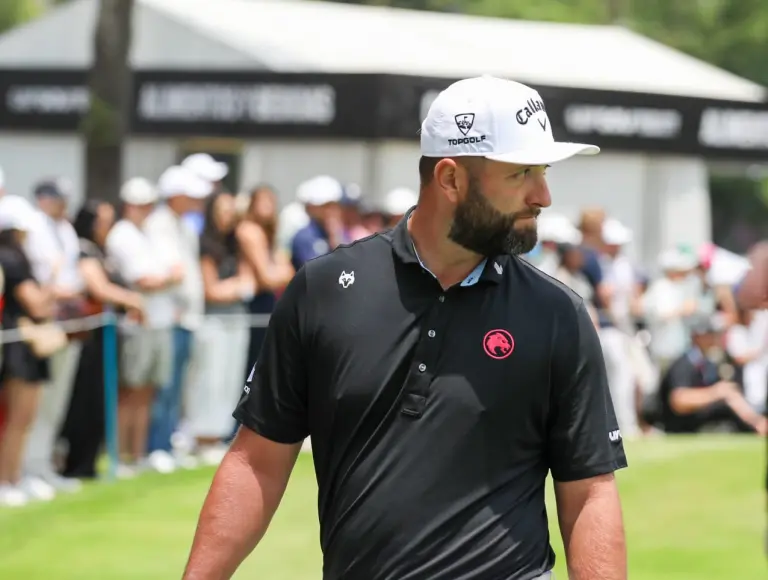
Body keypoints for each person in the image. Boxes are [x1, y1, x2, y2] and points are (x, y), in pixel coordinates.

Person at [184, 76, 627, 580]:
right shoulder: (324, 290)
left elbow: (590, 490)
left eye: (542, 171)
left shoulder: (558, 314)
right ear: (451, 178)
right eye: (522, 172)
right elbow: (256, 462)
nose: (543, 195)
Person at [59, 200, 144, 479]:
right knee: (85, 402)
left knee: (100, 401)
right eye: (103, 221)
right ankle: (78, 465)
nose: (108, 226)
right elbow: (97, 287)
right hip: (88, 336)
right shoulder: (84, 248)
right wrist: (133, 299)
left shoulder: (101, 250)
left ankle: (91, 462)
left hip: (106, 334)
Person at [105, 178, 180, 477]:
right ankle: (121, 456)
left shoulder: (151, 232)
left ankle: (137, 454)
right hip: (136, 323)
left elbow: (175, 273)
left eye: (149, 204)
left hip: (160, 319)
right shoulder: (122, 235)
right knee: (131, 390)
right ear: (129, 206)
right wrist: (165, 279)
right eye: (141, 205)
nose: (146, 210)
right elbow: (143, 280)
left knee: (147, 391)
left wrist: (162, 280)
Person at [144, 165, 211, 472]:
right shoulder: (159, 223)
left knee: (178, 384)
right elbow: (172, 270)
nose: (196, 202)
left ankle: (169, 442)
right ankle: (156, 446)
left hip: (187, 316)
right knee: (164, 385)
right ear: (175, 196)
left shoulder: (185, 224)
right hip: (169, 316)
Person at [187, 191, 254, 465]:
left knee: (230, 378)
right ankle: (203, 437)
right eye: (223, 210)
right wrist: (236, 287)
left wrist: (236, 287)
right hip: (212, 320)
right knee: (210, 379)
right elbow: (211, 290)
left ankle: (218, 435)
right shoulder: (206, 244)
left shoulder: (236, 243)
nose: (228, 215)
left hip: (237, 318)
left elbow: (250, 283)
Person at [0, 201, 55, 507]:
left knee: (23, 418)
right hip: (20, 344)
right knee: (18, 418)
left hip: (22, 342)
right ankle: (6, 480)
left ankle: (14, 477)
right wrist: (54, 277)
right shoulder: (12, 258)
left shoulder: (15, 257)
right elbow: (38, 305)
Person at [237, 185, 294, 377]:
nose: (269, 206)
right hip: (253, 303)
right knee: (251, 366)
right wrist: (282, 273)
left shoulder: (268, 232)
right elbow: (268, 277)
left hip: (265, 301)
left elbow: (286, 270)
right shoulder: (250, 231)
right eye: (264, 201)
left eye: (271, 201)